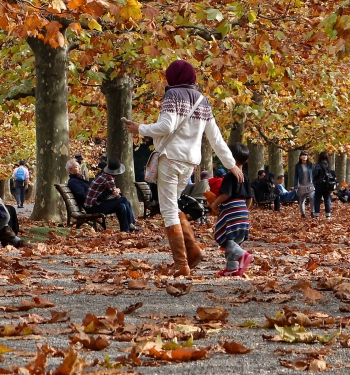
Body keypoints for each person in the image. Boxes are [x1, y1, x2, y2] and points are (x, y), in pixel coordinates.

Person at [124, 59, 242, 277]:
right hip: (190, 162)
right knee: (173, 207)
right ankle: (193, 252)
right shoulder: (203, 101)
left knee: (168, 210)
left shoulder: (172, 96)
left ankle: (182, 265)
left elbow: (165, 126)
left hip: (171, 159)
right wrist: (231, 164)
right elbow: (216, 139)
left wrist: (139, 128)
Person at [208, 142, 253, 277]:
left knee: (224, 237)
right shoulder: (245, 177)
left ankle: (243, 255)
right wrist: (245, 210)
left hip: (231, 209)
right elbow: (250, 197)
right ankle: (231, 267)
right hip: (243, 209)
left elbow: (226, 194)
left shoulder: (229, 177)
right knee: (234, 240)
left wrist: (214, 204)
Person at [83, 158, 138, 233]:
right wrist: (118, 191)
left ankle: (125, 230)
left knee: (121, 206)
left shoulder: (104, 176)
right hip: (93, 207)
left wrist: (117, 191)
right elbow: (118, 196)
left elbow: (112, 194)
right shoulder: (108, 178)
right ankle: (131, 223)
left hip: (95, 204)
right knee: (124, 199)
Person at [313, 151, 337, 220]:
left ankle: (317, 215)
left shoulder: (317, 165)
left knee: (317, 200)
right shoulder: (329, 166)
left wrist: (316, 181)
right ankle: (328, 215)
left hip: (319, 185)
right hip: (327, 185)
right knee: (327, 200)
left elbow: (315, 175)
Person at [293, 151, 315, 219]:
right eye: (303, 155)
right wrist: (295, 186)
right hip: (302, 185)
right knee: (302, 200)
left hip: (310, 185)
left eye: (305, 155)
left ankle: (312, 212)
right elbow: (296, 176)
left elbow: (314, 175)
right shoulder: (298, 166)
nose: (304, 156)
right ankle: (303, 214)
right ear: (300, 157)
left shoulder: (311, 165)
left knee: (312, 197)